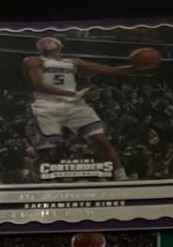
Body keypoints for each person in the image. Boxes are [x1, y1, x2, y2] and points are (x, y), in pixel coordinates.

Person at [22, 34, 150, 180]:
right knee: (49, 155)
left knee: (101, 141)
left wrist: (136, 67)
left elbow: (109, 70)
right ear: (39, 47)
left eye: (51, 39)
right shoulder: (33, 61)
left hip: (74, 105)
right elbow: (39, 86)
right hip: (46, 106)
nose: (46, 40)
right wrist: (75, 94)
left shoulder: (73, 62)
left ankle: (121, 177)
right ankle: (33, 174)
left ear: (60, 45)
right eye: (43, 41)